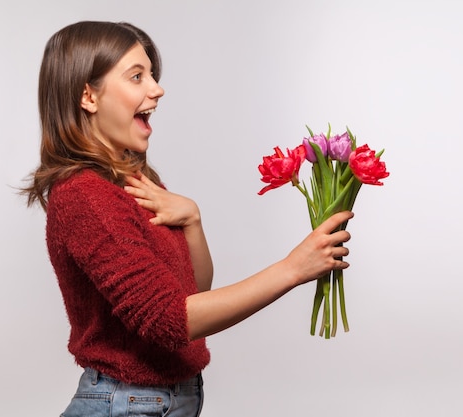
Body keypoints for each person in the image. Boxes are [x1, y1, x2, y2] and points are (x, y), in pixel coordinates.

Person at [23, 20, 353, 417]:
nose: (157, 88)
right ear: (88, 96)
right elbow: (170, 320)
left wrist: (192, 220)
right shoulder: (84, 196)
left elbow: (194, 294)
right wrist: (292, 269)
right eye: (136, 76)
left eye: (152, 75)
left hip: (166, 399)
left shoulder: (133, 183)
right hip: (125, 404)